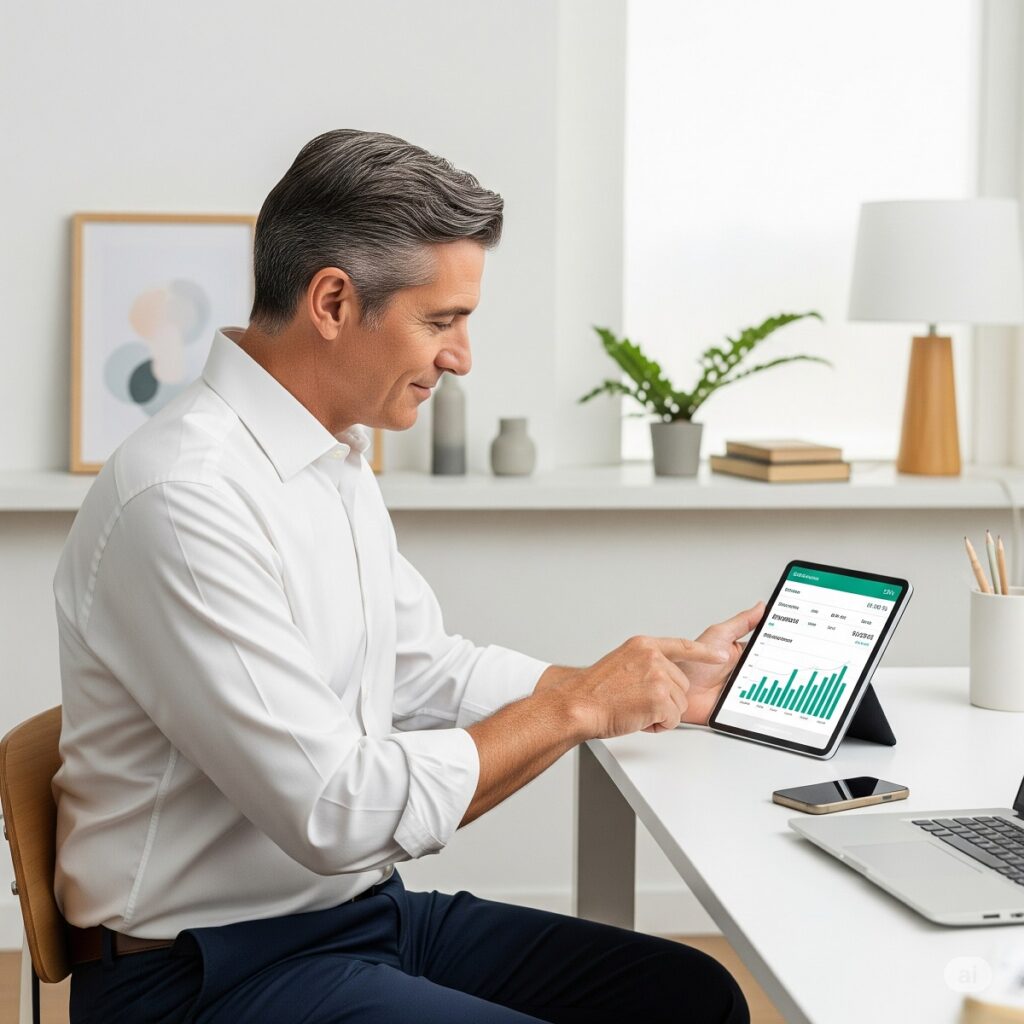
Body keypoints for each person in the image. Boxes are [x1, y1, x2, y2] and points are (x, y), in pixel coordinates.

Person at [52, 128, 762, 1023]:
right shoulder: (184, 498)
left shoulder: (332, 457)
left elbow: (421, 670)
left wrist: (625, 688)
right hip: (205, 974)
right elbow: (335, 812)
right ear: (334, 302)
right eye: (441, 321)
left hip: (355, 917)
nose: (461, 357)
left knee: (689, 997)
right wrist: (572, 710)